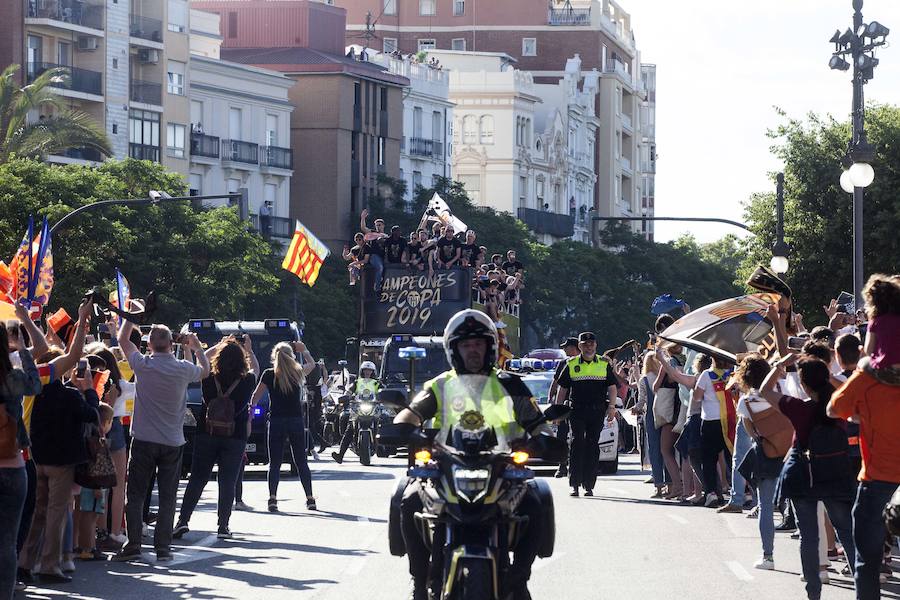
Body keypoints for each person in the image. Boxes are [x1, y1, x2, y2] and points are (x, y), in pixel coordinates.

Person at [393, 309, 558, 600]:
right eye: (466, 345)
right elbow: (410, 414)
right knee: (408, 500)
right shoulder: (440, 385)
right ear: (454, 349)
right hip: (446, 466)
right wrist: (406, 429)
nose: (473, 350)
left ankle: (519, 579)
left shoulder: (510, 384)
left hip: (500, 468)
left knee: (535, 502)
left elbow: (538, 423)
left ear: (490, 347)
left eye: (478, 344)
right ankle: (420, 582)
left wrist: (544, 440)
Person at [828, 274, 900, 600]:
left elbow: (833, 408)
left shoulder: (867, 378)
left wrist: (860, 412)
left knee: (866, 564)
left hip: (878, 484)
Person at [760, 355, 856, 600]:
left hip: (804, 475)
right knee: (846, 530)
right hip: (835, 473)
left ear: (804, 384)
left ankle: (813, 593)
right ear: (826, 379)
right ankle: (863, 585)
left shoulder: (799, 408)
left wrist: (779, 366)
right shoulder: (838, 407)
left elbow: (764, 390)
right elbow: (847, 390)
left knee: (809, 536)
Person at [113, 321, 209, 562]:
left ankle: (133, 543)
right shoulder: (183, 369)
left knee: (135, 494)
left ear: (148, 344)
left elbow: (123, 340)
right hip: (172, 441)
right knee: (168, 496)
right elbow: (205, 370)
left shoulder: (143, 365)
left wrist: (130, 318)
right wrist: (196, 347)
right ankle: (163, 547)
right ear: (171, 344)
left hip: (144, 439)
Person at [19, 337, 100, 583]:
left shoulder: (32, 393)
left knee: (37, 512)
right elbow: (92, 416)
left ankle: (25, 561)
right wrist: (88, 390)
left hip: (37, 458)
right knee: (56, 514)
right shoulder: (70, 395)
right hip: (62, 462)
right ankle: (50, 565)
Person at [173, 336, 258, 540]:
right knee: (227, 481)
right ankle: (223, 525)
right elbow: (256, 367)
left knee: (197, 479)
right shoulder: (247, 380)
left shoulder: (209, 377)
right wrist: (249, 349)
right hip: (235, 436)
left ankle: (183, 521)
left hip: (207, 433)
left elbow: (200, 361)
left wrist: (218, 345)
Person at [733, 354, 787, 571]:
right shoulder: (780, 391)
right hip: (790, 451)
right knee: (799, 505)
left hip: (766, 453)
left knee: (765, 505)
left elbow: (750, 431)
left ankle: (768, 556)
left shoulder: (747, 401)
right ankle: (816, 560)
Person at [1, 320, 41, 598]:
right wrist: (23, 348)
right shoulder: (12, 377)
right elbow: (36, 385)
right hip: (12, 464)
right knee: (6, 541)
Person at [252, 341, 317, 512]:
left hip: (276, 420)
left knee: (274, 463)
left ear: (274, 356)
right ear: (292, 356)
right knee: (301, 461)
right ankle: (310, 498)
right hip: (295, 420)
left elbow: (255, 397)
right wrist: (305, 350)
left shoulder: (268, 374)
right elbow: (312, 365)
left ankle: (272, 499)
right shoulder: (297, 373)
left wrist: (250, 413)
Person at [554, 331, 618, 497]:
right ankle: (574, 483)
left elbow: (612, 387)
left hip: (597, 411)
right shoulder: (571, 363)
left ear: (595, 345)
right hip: (577, 410)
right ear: (580, 346)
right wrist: (558, 411)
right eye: (585, 344)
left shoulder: (604, 364)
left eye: (592, 344)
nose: (589, 347)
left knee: (592, 445)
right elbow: (563, 389)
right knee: (577, 443)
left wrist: (612, 407)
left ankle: (588, 484)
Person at [74, 402, 114, 560]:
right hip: (94, 485)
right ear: (104, 423)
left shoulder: (90, 438)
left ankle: (85, 546)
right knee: (90, 517)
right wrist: (98, 487)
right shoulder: (98, 442)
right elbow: (97, 466)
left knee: (88, 516)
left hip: (87, 483)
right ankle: (88, 547)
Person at [332, 361, 380, 464]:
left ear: (373, 371)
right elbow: (349, 391)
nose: (368, 372)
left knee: (382, 421)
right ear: (362, 371)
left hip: (373, 408)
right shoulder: (357, 382)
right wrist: (347, 396)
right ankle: (340, 455)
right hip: (358, 408)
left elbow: (382, 392)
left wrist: (383, 397)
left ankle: (384, 448)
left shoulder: (376, 383)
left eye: (370, 370)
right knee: (350, 429)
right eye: (365, 370)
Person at [633, 351, 665, 497]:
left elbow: (641, 402)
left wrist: (635, 409)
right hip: (666, 415)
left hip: (651, 417)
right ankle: (671, 485)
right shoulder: (664, 376)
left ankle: (658, 485)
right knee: (667, 451)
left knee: (654, 450)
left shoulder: (644, 379)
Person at [549, 337, 580, 479]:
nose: (564, 349)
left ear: (574, 347)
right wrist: (551, 398)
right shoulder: (563, 363)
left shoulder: (585, 363)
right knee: (562, 435)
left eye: (566, 347)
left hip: (579, 404)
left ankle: (579, 465)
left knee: (578, 436)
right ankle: (562, 466)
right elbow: (556, 383)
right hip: (565, 404)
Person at [360, 209, 387, 292]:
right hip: (374, 256)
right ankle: (377, 287)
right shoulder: (373, 233)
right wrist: (363, 218)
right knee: (379, 268)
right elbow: (363, 228)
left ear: (383, 225)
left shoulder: (386, 236)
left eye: (379, 225)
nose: (378, 226)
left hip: (383, 257)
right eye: (376, 225)